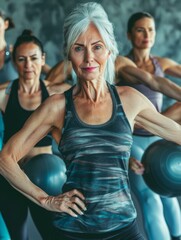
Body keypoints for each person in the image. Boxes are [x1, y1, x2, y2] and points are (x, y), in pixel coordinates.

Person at [0, 2, 181, 239]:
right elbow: (6, 159)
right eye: (78, 48)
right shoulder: (57, 107)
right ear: (68, 53)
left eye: (97, 47)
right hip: (75, 231)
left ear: (108, 50)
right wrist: (46, 200)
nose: (88, 58)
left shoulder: (129, 101)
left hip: (125, 228)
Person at [0, 29, 71, 240]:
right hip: (14, 178)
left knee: (53, 234)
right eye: (21, 59)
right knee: (17, 236)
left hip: (47, 176)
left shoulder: (58, 93)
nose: (28, 65)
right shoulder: (4, 94)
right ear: (13, 62)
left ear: (43, 59)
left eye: (33, 58)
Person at [124, 12, 181, 240]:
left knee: (169, 194)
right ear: (129, 35)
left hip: (157, 134)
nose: (147, 34)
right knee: (150, 196)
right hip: (133, 139)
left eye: (151, 29)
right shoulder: (122, 65)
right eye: (140, 29)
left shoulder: (161, 63)